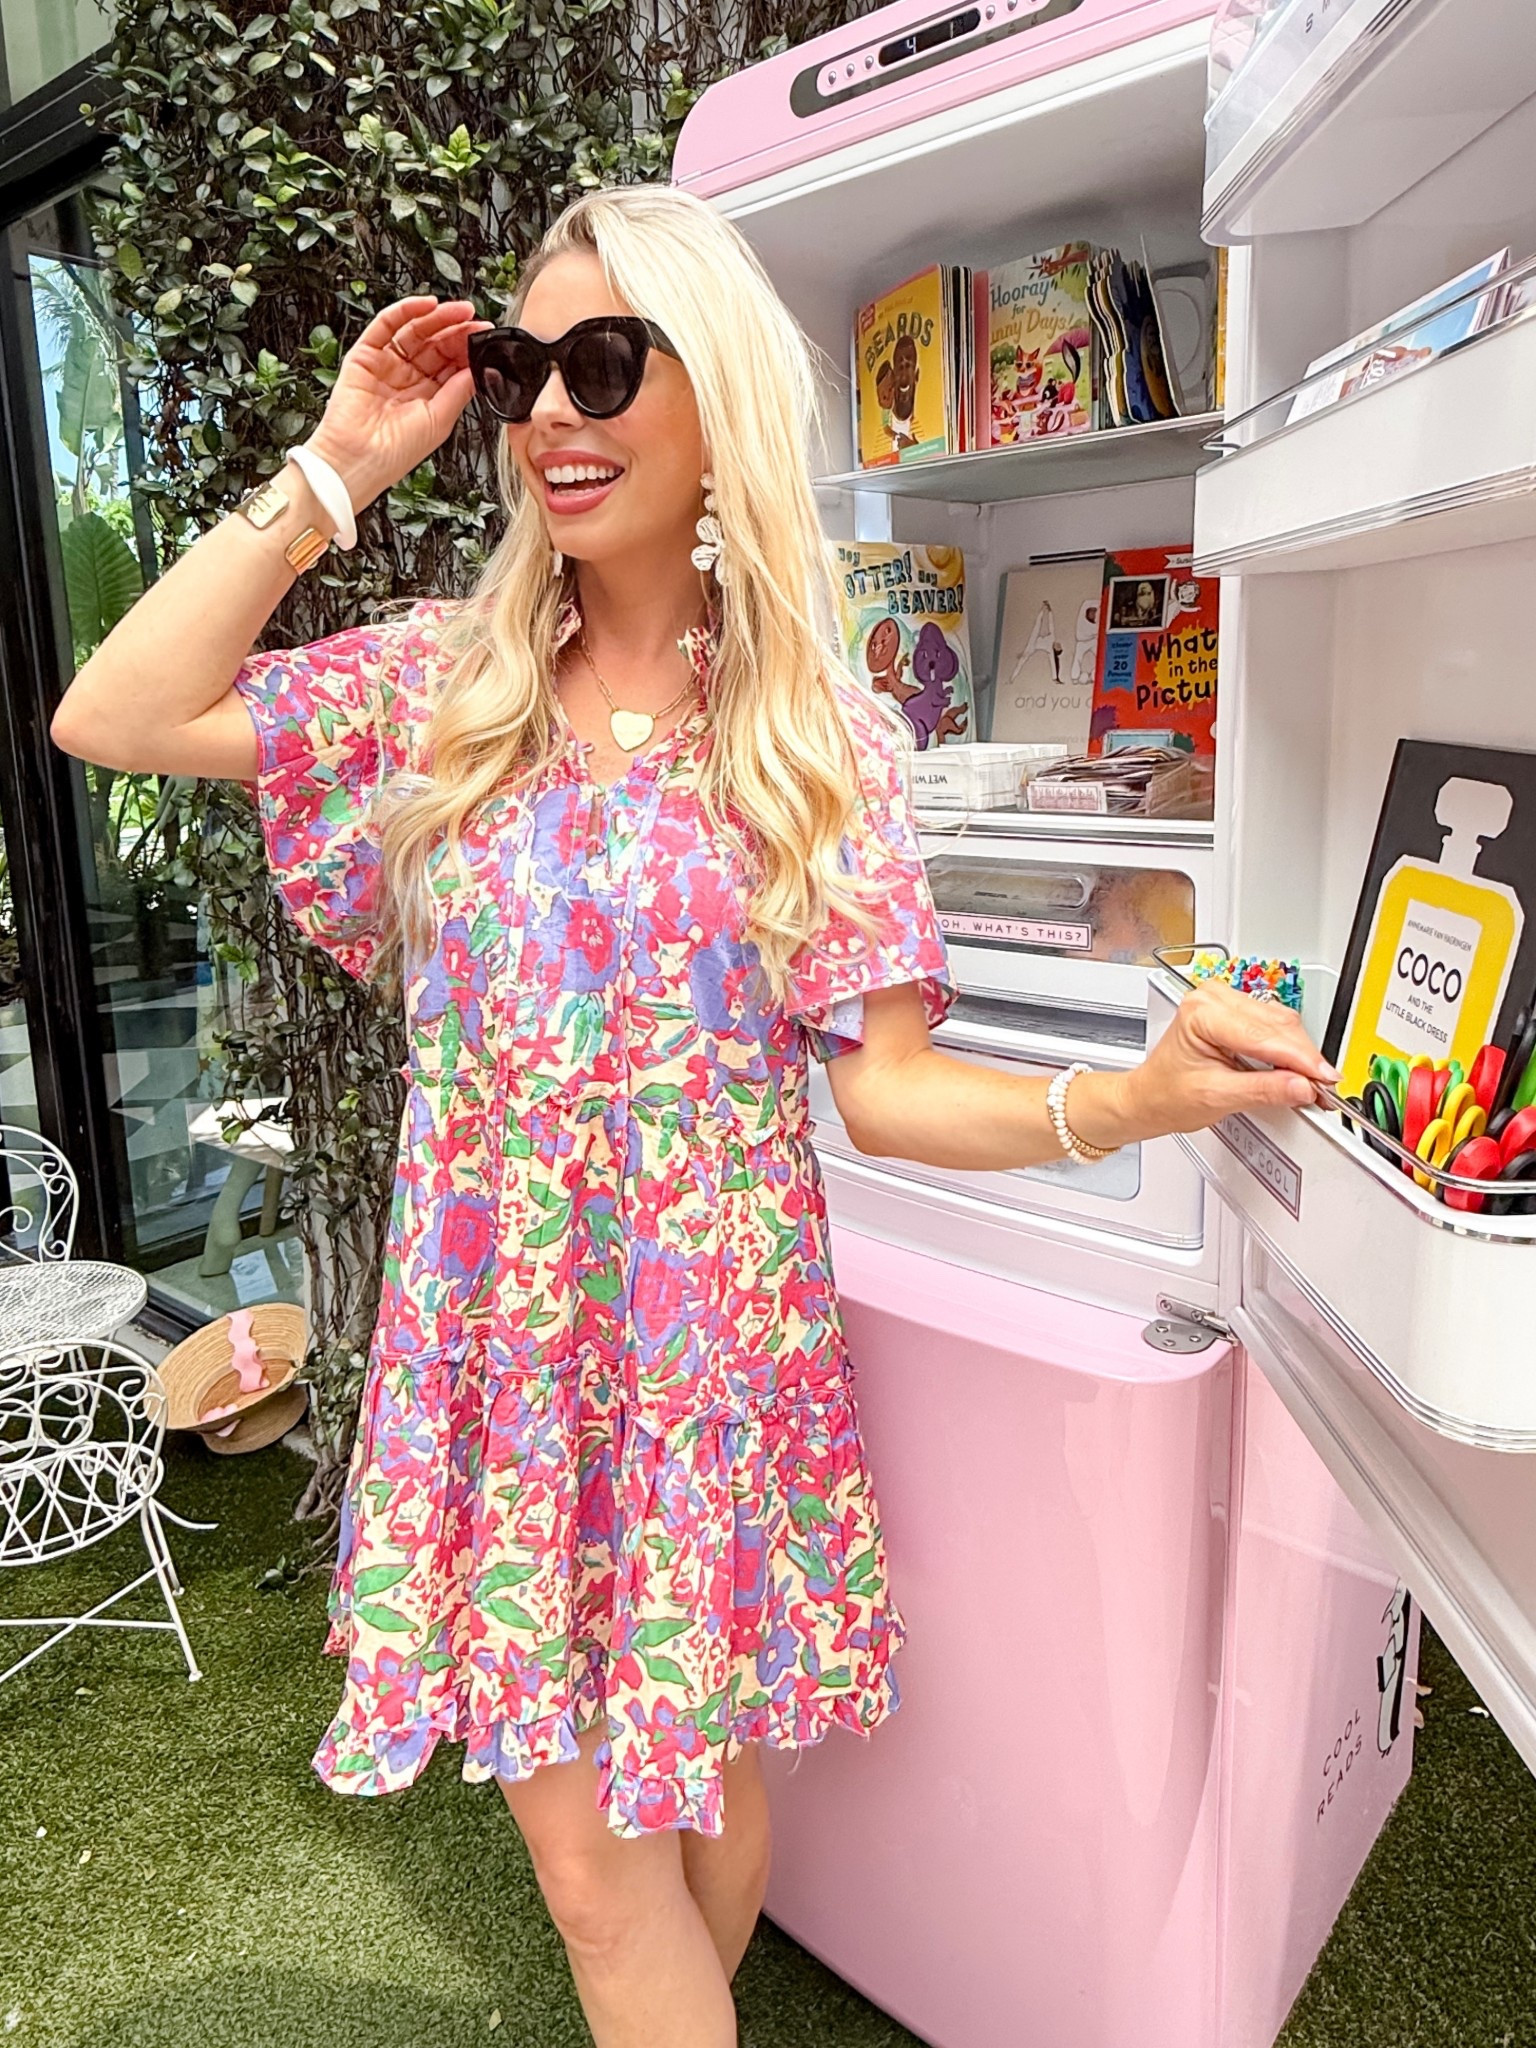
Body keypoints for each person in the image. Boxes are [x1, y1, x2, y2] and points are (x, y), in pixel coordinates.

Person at [51, 185, 1335, 2048]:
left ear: (716, 393)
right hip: (495, 1367)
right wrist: (336, 465)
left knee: (711, 1803)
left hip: (715, 1376)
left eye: (603, 363)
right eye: (524, 371)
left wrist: (1125, 1097)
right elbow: (115, 708)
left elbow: (885, 1091)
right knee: (593, 1876)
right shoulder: (443, 686)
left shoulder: (817, 740)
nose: (554, 412)